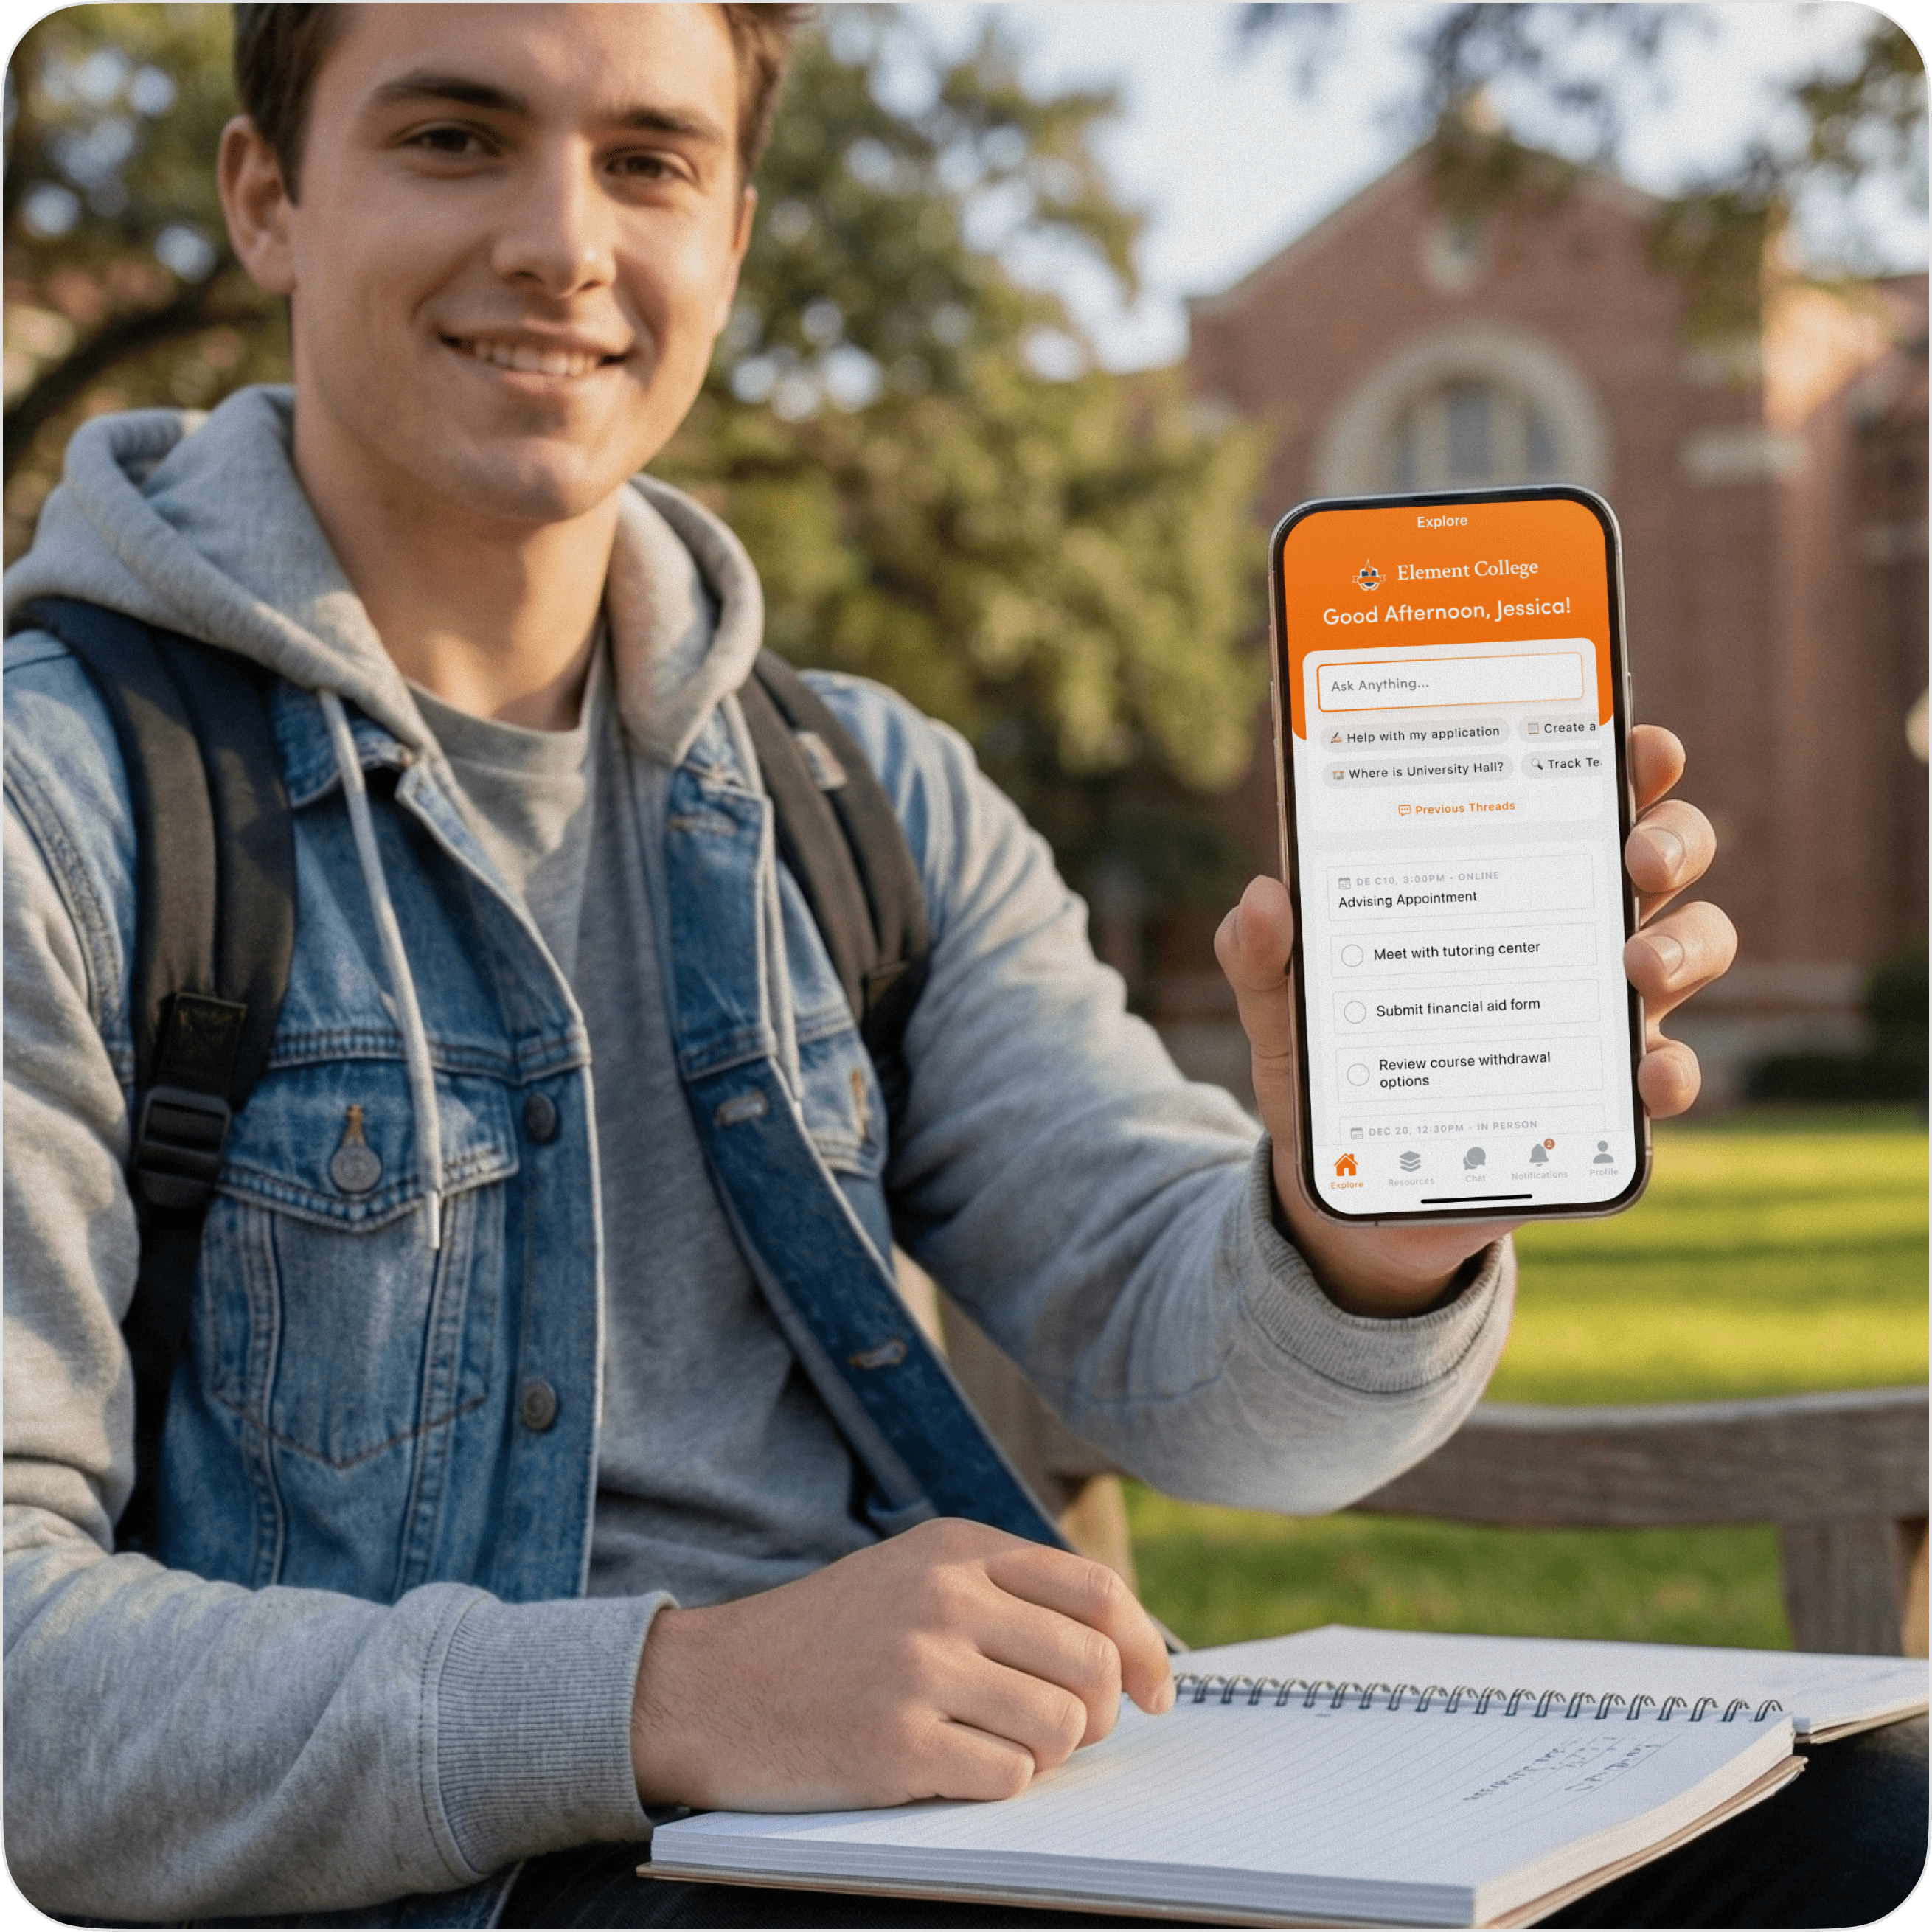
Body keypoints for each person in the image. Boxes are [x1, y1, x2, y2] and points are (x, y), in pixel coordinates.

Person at [6, 7, 1908, 1929]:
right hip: (492, 1883)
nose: (562, 242)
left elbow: (1205, 1367)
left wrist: (1364, 1224)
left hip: (964, 1822)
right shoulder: (59, 804)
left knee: (1862, 1835)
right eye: (452, 138)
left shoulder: (864, 790)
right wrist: (669, 1689)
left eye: (649, 162)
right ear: (269, 197)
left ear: (733, 233)